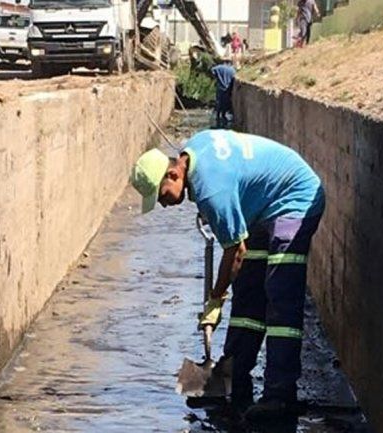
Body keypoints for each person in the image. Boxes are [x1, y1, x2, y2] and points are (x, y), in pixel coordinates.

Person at [130, 130, 325, 422]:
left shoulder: (212, 190)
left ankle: (280, 395)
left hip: (294, 199)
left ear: (172, 174)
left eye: (160, 195)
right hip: (261, 211)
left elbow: (235, 251)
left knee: (280, 295)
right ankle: (234, 373)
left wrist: (216, 299)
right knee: (248, 290)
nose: (162, 204)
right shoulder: (194, 151)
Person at [210, 58, 235, 129]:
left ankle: (218, 117)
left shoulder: (219, 67)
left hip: (220, 88)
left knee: (219, 102)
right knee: (225, 103)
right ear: (229, 63)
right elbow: (234, 79)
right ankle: (224, 117)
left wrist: (216, 78)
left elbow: (212, 71)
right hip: (228, 89)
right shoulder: (232, 70)